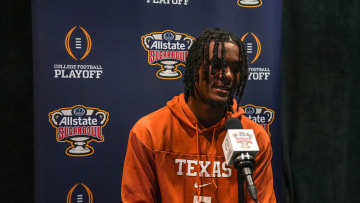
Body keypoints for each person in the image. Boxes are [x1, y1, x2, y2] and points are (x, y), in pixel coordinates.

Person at [121, 28, 276, 203]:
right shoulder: (149, 132)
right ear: (194, 69)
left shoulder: (255, 137)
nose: (227, 75)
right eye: (217, 66)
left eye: (235, 69)